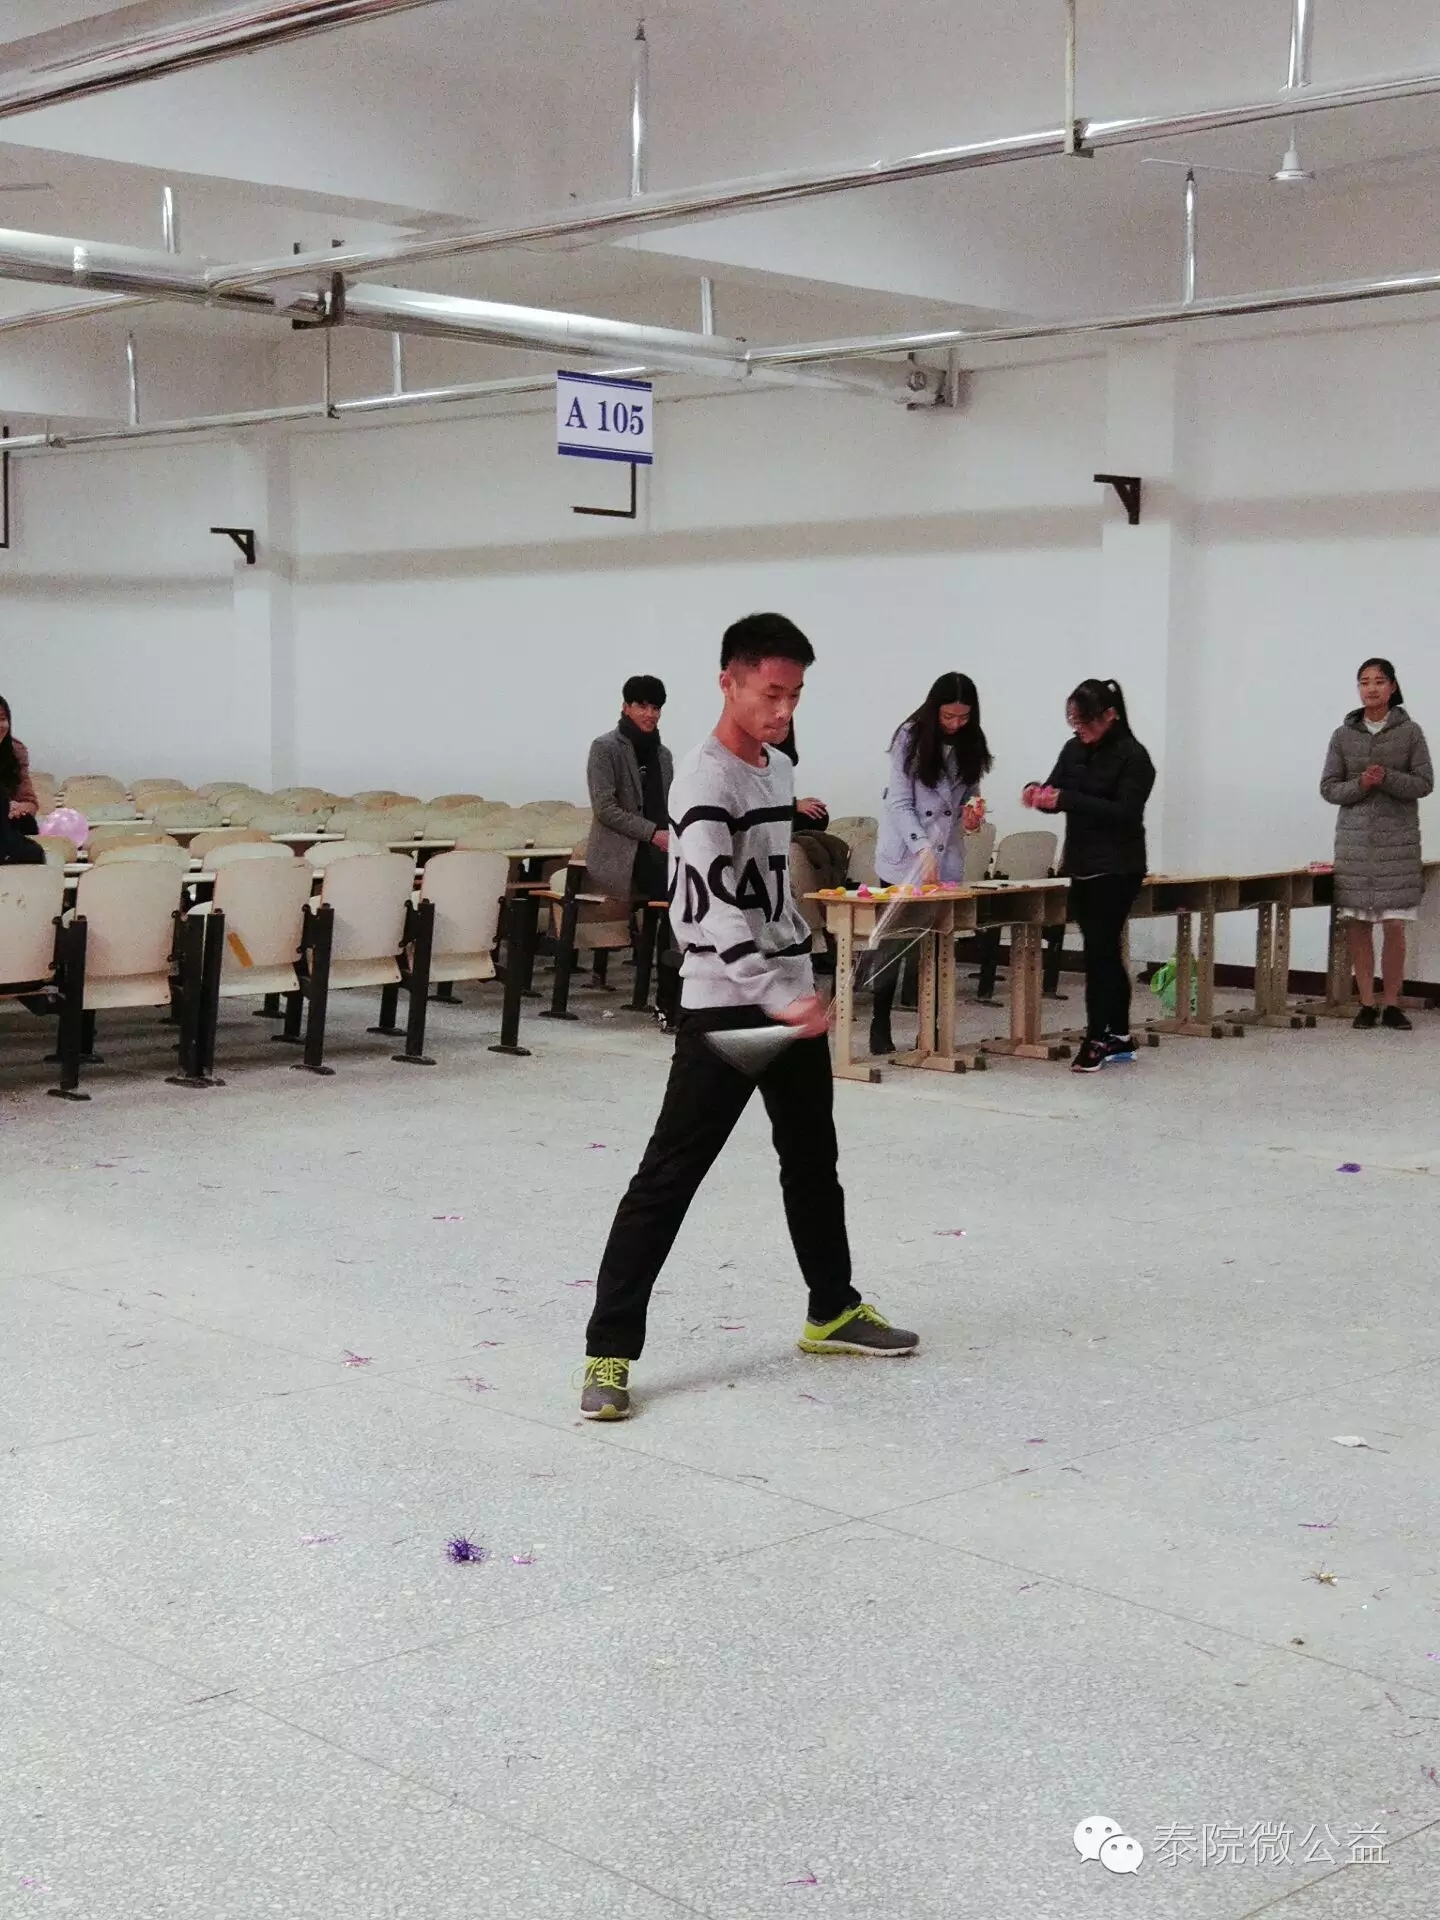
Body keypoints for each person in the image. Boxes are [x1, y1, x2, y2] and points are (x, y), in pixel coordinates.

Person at [580, 612, 918, 1421]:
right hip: (729, 1007)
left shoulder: (775, 770)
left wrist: (804, 967)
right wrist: (776, 993)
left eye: (795, 695)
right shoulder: (702, 781)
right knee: (669, 1178)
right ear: (727, 683)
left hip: (787, 993)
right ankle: (607, 1351)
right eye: (770, 693)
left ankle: (831, 1308)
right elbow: (712, 907)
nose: (783, 710)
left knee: (812, 1160)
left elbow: (768, 887)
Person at [1024, 677, 1155, 1074]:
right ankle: (1119, 1035)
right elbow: (1056, 789)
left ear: (1110, 715)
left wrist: (1067, 799)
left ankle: (1096, 1037)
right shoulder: (1073, 749)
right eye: (1074, 722)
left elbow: (1123, 812)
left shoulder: (1134, 757)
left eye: (1085, 722)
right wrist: (1039, 794)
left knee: (1099, 953)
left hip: (1118, 867)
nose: (1079, 729)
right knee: (1105, 951)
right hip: (1081, 863)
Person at [869, 672, 990, 1056]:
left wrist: (972, 816)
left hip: (944, 854)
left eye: (963, 717)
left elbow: (970, 795)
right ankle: (879, 1023)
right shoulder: (910, 736)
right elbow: (899, 802)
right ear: (934, 709)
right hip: (907, 852)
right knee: (892, 942)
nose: (955, 724)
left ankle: (932, 1028)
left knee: (937, 943)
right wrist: (921, 847)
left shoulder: (972, 741)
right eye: (948, 716)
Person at [1320, 657, 1433, 1030]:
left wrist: (1387, 778)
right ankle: (1367, 1003)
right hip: (1355, 845)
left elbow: (1424, 783)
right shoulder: (1342, 735)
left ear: (1392, 687)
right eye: (1364, 682)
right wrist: (1361, 784)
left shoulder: (1410, 732)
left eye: (1379, 681)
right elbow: (1329, 788)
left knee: (1395, 926)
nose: (1371, 688)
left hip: (1398, 845)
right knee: (1358, 925)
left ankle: (1392, 1003)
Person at [585, 675, 674, 905]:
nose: (650, 714)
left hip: (661, 848)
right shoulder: (605, 748)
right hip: (622, 851)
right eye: (642, 707)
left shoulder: (663, 755)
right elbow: (605, 808)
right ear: (626, 708)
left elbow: (670, 804)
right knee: (669, 885)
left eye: (656, 708)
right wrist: (652, 834)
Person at [0, 696, 44, 865]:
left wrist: (16, 808)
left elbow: (30, 803)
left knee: (26, 825)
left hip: (7, 828)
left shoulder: (15, 751)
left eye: (2, 719)